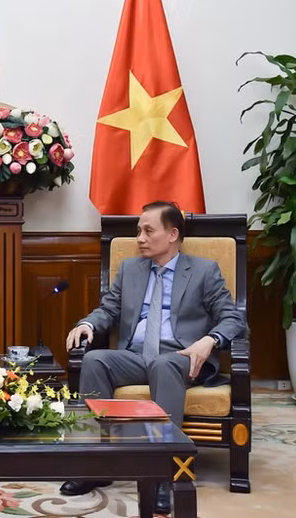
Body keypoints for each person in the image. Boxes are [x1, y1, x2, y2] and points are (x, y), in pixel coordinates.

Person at [60, 201, 245, 515]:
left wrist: (208, 341)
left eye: (148, 231)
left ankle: (163, 475)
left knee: (164, 362)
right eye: (138, 231)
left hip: (182, 356)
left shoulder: (203, 270)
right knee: (95, 360)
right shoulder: (131, 269)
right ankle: (95, 465)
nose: (140, 238)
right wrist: (87, 323)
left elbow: (232, 318)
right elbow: (109, 309)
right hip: (135, 356)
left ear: (172, 234)